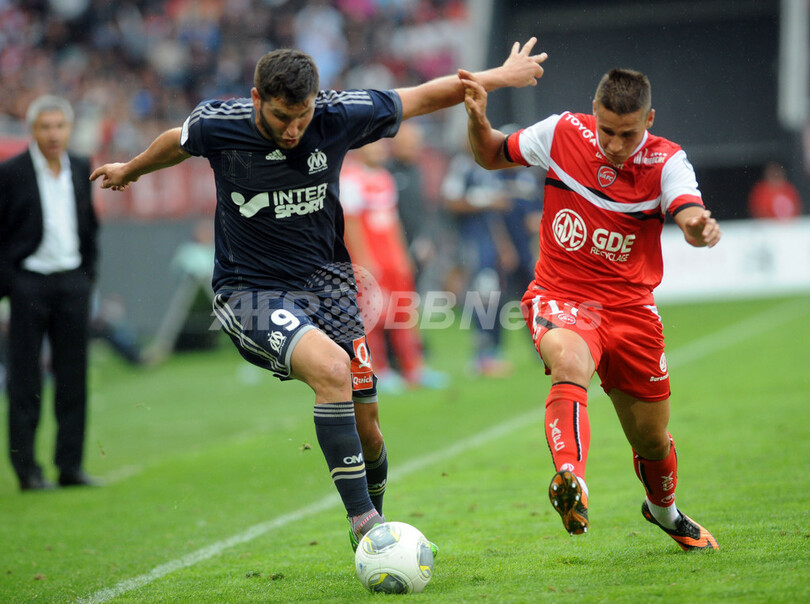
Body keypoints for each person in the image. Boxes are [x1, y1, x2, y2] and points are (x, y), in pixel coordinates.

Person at [90, 42, 546, 551]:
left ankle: (374, 522)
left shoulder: (337, 115)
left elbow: (421, 96)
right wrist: (131, 169)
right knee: (332, 370)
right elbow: (177, 141)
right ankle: (366, 525)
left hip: (329, 288)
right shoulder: (219, 124)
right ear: (256, 98)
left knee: (369, 428)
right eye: (281, 117)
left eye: (302, 116)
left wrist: (499, 76)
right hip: (250, 291)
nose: (293, 130)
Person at [460, 66, 722, 551]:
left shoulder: (667, 160)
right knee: (569, 360)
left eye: (628, 134)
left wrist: (696, 226)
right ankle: (570, 479)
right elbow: (491, 154)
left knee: (651, 440)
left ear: (649, 121)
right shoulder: (562, 132)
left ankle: (663, 511)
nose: (616, 144)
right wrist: (478, 119)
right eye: (607, 131)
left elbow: (686, 209)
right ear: (593, 111)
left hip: (631, 310)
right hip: (561, 295)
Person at [0, 95, 100, 491]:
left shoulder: (81, 166)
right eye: (45, 127)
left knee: (74, 377)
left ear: (69, 129)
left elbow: (89, 225)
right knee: (25, 379)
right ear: (32, 130)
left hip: (73, 282)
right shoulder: (11, 173)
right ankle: (27, 471)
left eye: (59, 126)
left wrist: (88, 275)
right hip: (30, 282)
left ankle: (70, 466)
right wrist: (12, 281)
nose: (53, 134)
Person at [341, 139, 448, 392]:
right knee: (373, 316)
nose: (379, 150)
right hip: (369, 259)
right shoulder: (349, 179)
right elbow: (351, 223)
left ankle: (414, 368)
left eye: (381, 146)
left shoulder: (384, 177)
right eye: (373, 145)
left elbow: (392, 219)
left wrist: (401, 255)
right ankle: (378, 370)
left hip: (391, 257)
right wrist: (363, 259)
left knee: (403, 313)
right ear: (359, 147)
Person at [441, 145, 517, 377]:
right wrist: (486, 201)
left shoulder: (488, 168)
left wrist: (503, 245)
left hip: (489, 245)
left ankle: (493, 352)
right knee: (481, 297)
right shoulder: (461, 166)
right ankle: (481, 356)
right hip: (471, 243)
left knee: (495, 297)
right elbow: (450, 201)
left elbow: (495, 215)